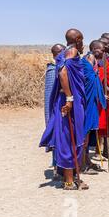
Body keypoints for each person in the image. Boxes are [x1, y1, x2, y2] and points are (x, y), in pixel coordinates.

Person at [40, 29, 88, 191]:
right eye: (82, 40)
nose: (83, 43)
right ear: (78, 39)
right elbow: (63, 72)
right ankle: (68, 181)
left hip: (73, 102)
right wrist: (69, 98)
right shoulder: (72, 52)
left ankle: (73, 177)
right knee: (69, 138)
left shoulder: (67, 53)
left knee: (74, 136)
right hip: (70, 103)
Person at [80, 41, 107, 174]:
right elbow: (88, 80)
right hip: (87, 101)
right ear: (95, 49)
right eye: (102, 50)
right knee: (85, 132)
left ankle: (87, 161)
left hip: (92, 101)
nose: (104, 52)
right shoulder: (88, 59)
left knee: (90, 131)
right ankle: (83, 164)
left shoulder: (95, 62)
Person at [44, 44, 66, 180]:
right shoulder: (53, 70)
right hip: (55, 111)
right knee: (56, 137)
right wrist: (49, 117)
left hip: (63, 109)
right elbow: (49, 96)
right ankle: (57, 168)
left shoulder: (62, 67)